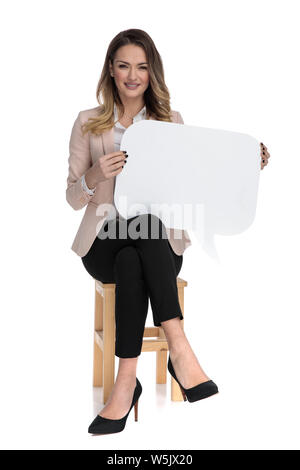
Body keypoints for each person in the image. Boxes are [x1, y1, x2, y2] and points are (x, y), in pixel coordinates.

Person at [66, 29, 270, 435]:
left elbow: (197, 179)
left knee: (141, 244)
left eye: (141, 67)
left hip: (157, 245)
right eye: (123, 65)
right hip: (102, 241)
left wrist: (246, 163)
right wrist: (94, 174)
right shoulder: (88, 123)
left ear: (151, 72)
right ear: (111, 69)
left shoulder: (170, 122)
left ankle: (125, 387)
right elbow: (72, 197)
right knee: (129, 243)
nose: (132, 75)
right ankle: (180, 347)